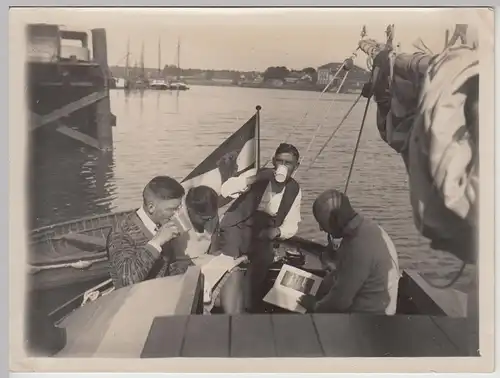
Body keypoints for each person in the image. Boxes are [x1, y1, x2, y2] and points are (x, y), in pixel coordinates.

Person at [218, 142, 302, 313]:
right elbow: (225, 190)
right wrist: (252, 180)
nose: (283, 166)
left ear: (296, 166)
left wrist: (277, 231)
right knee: (231, 267)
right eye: (279, 161)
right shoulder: (258, 175)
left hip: (263, 231)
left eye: (288, 163)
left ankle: (249, 310)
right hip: (238, 225)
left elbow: (292, 225)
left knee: (260, 267)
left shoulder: (294, 189)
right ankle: (228, 311)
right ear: (273, 161)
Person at [299, 189, 400, 315]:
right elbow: (342, 274)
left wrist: (314, 306)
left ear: (335, 220)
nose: (321, 229)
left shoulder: (358, 246)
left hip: (368, 320)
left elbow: (340, 302)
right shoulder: (368, 229)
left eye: (322, 224)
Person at [107, 176, 185, 289]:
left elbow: (170, 267)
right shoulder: (121, 232)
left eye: (179, 208)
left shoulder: (162, 224)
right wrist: (156, 242)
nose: (177, 214)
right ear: (151, 207)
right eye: (172, 209)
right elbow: (126, 280)